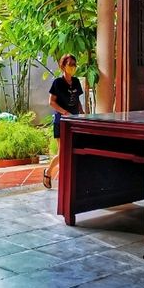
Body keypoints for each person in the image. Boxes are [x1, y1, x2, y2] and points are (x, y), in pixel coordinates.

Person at [44, 53, 84, 189]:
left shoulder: (77, 82)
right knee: (62, 152)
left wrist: (82, 113)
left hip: (75, 120)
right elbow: (51, 102)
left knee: (74, 149)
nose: (72, 67)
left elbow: (78, 100)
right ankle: (48, 172)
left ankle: (69, 179)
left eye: (74, 64)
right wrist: (64, 112)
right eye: (70, 64)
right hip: (61, 120)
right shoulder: (58, 83)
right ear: (63, 66)